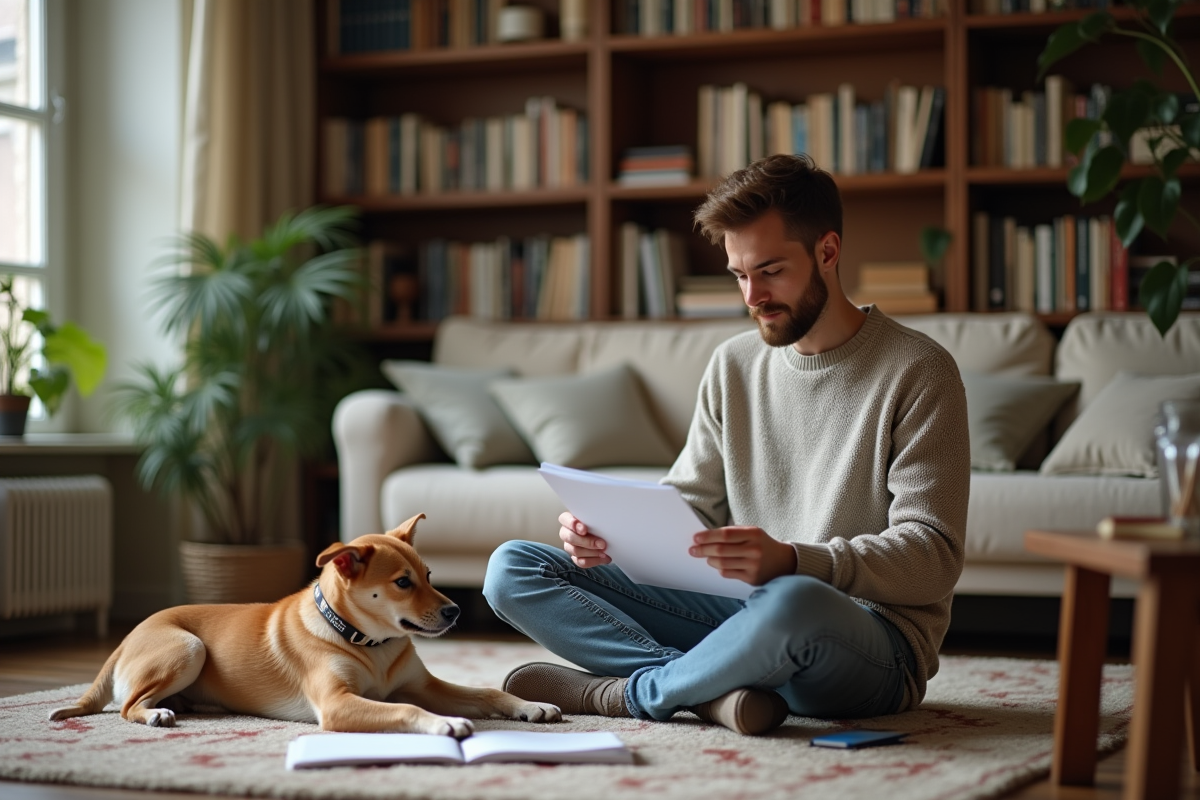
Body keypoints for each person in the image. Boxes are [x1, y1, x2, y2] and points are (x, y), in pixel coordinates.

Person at [482, 153, 970, 736]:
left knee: (792, 599)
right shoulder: (732, 364)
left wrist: (793, 560)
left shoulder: (919, 369)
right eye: (739, 274)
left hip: (869, 644)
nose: (752, 295)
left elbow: (933, 558)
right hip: (740, 613)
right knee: (513, 568)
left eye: (770, 270)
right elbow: (691, 506)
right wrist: (614, 537)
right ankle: (714, 694)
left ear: (828, 252)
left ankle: (629, 695)